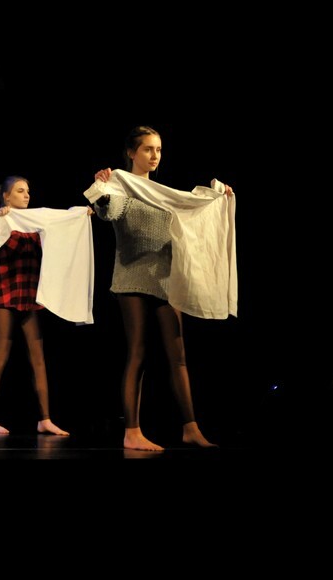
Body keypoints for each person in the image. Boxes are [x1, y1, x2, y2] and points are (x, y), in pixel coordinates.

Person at [90, 125, 233, 451]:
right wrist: (103, 191)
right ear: (131, 152)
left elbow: (189, 217)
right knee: (138, 352)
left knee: (178, 356)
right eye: (148, 149)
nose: (155, 155)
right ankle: (132, 432)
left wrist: (217, 201)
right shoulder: (122, 186)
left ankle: (190, 428)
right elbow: (109, 211)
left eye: (158, 149)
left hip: (166, 280)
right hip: (132, 278)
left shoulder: (162, 193)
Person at [0, 176, 71, 436]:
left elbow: (58, 235)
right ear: (6, 196)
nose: (26, 195)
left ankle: (45, 419)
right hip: (3, 295)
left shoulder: (34, 225)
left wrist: (77, 218)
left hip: (29, 296)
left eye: (28, 191)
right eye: (20, 191)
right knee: (0, 356)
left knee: (37, 359)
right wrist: (1, 221)